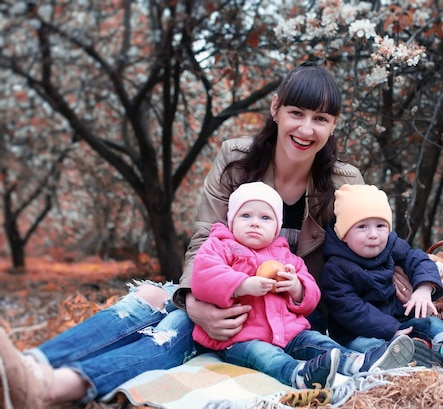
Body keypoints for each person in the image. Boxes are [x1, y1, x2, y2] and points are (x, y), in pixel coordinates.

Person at [0, 62, 368, 408]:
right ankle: (27, 367)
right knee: (149, 295)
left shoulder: (344, 184)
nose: (306, 129)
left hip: (288, 313)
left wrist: (417, 287)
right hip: (223, 291)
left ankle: (50, 387)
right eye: (297, 113)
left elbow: (367, 255)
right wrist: (194, 300)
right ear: (275, 108)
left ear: (333, 125)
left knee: (177, 326)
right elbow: (205, 236)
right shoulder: (237, 159)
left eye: (320, 119)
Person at [191, 181, 415, 389]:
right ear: (232, 221)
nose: (255, 223)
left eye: (265, 218)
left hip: (289, 332)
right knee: (266, 356)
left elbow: (312, 295)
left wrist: (296, 287)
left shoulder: (284, 255)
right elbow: (202, 277)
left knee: (319, 341)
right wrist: (242, 285)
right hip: (243, 337)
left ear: (277, 226)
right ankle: (299, 374)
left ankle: (358, 363)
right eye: (246, 215)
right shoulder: (221, 246)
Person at [320, 184, 443, 370]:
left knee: (429, 323)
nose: (373, 235)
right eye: (362, 227)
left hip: (401, 320)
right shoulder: (336, 268)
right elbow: (351, 310)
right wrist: (390, 330)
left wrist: (424, 288)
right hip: (357, 332)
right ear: (343, 234)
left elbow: (419, 260)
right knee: (363, 347)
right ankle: (406, 359)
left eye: (380, 226)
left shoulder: (392, 245)